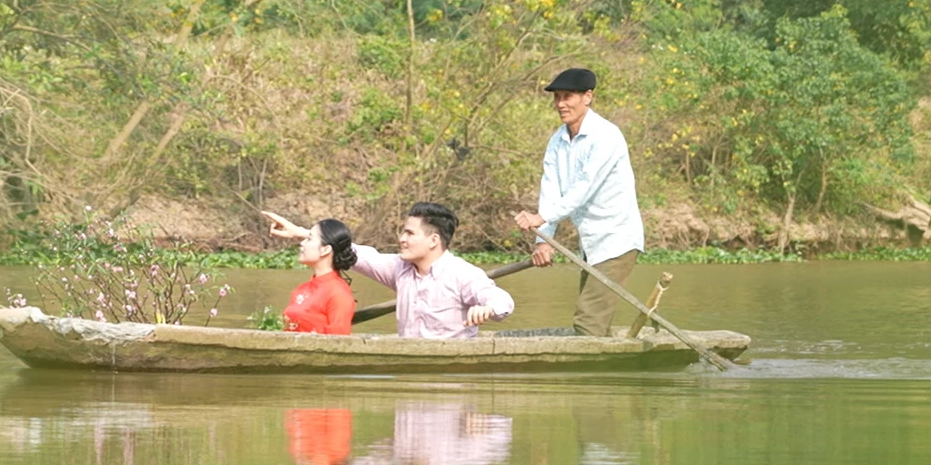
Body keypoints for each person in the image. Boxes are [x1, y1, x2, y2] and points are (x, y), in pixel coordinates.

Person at [513, 67, 645, 338]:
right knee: (596, 325)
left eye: (568, 96)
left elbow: (584, 187)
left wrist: (541, 217)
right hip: (590, 243)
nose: (560, 104)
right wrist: (543, 240)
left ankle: (593, 360)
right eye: (557, 97)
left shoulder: (606, 136)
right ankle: (612, 360)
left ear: (587, 97)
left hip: (616, 240)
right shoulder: (557, 141)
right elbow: (550, 190)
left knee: (588, 321)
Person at [264, 203, 513, 339]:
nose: (402, 239)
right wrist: (302, 233)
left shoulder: (461, 273)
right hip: (408, 362)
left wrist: (488, 308)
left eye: (410, 233)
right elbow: (354, 252)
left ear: (433, 240)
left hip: (450, 377)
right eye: (403, 232)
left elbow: (502, 300)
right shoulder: (400, 268)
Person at [280, 218, 358, 335]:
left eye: (309, 239)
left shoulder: (338, 293)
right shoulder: (301, 289)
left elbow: (338, 341)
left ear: (325, 250)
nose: (302, 243)